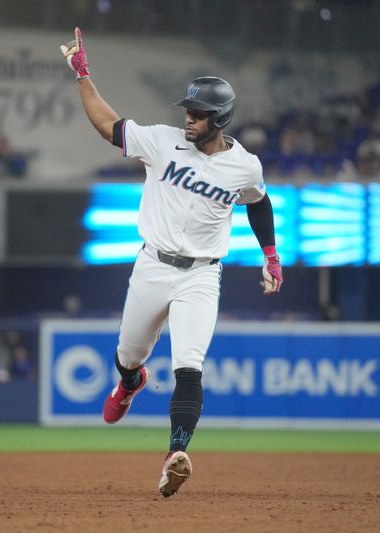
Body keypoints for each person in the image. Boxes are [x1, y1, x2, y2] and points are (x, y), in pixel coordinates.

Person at [60, 27, 284, 497]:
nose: (189, 117)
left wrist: (270, 254)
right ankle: (131, 380)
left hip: (202, 274)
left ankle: (175, 455)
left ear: (219, 118)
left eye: (198, 113)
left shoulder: (244, 165)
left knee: (189, 366)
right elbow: (109, 126)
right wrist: (82, 76)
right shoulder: (162, 142)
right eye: (188, 109)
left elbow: (258, 202)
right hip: (152, 266)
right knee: (128, 355)